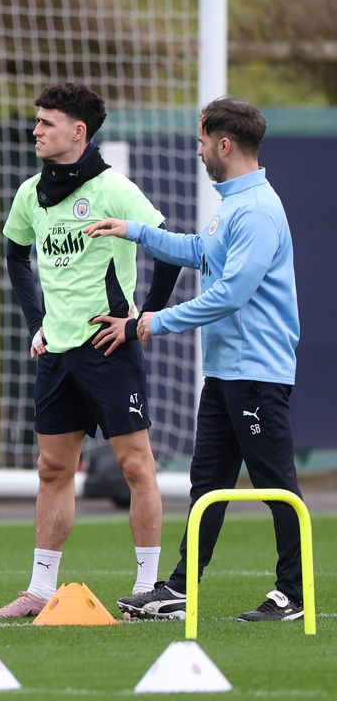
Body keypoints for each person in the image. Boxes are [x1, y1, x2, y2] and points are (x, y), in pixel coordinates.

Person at [92, 98, 305, 622]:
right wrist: (135, 230)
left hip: (256, 373)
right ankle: (180, 588)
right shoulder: (233, 204)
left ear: (224, 144)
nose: (198, 150)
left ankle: (294, 595)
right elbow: (198, 251)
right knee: (207, 485)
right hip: (225, 373)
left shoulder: (256, 210)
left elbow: (231, 293)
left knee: (277, 486)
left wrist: (151, 322)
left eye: (202, 141)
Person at [0, 82, 181, 619]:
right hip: (57, 352)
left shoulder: (114, 188)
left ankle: (149, 590)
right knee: (53, 468)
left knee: (135, 466)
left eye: (46, 123)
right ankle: (39, 590)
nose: (35, 131)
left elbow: (168, 249)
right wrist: (37, 324)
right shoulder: (30, 193)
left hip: (108, 348)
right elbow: (15, 257)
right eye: (36, 121)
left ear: (78, 132)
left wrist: (140, 320)